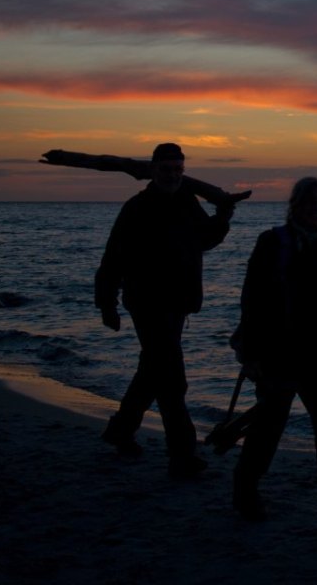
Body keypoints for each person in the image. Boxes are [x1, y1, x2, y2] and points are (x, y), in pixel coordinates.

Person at [231, 176, 317, 532]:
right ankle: (246, 490)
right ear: (295, 204)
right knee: (269, 426)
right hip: (277, 351)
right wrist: (249, 354)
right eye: (310, 202)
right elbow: (251, 299)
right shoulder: (271, 241)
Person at [95, 142, 236, 478]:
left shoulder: (187, 203)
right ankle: (182, 454)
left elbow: (204, 240)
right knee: (172, 379)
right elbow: (113, 257)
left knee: (152, 372)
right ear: (152, 171)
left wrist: (223, 216)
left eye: (178, 169)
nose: (172, 175)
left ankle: (120, 431)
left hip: (178, 304)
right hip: (146, 304)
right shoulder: (137, 208)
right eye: (166, 169)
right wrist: (107, 304)